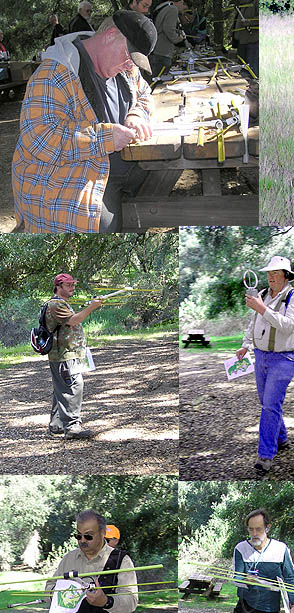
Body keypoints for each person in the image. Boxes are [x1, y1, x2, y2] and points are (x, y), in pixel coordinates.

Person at [12, 11, 156, 233]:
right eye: (129, 57)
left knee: (160, 177)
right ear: (110, 35)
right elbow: (41, 139)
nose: (130, 66)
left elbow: (145, 93)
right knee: (102, 226)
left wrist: (136, 114)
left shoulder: (126, 70)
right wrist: (104, 138)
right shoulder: (53, 75)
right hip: (67, 174)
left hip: (116, 166)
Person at [235, 256, 294, 476]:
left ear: (286, 276)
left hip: (284, 358)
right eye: (269, 274)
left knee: (269, 406)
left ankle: (265, 456)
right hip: (261, 356)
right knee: (267, 402)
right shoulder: (264, 295)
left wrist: (262, 308)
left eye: (275, 274)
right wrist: (246, 345)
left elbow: (289, 326)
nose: (271, 277)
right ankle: (282, 438)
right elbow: (254, 322)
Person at [45, 273, 104, 439]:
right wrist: (92, 307)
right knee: (72, 388)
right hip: (64, 355)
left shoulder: (62, 303)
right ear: (59, 286)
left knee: (61, 388)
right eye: (68, 285)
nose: (72, 287)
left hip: (68, 353)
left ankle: (56, 425)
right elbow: (73, 320)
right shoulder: (55, 304)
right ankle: (72, 428)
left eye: (73, 284)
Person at [149, 0, 188, 79]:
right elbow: (169, 30)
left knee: (155, 79)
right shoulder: (172, 9)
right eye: (184, 8)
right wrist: (179, 39)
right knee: (161, 81)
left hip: (156, 50)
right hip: (163, 52)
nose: (183, 11)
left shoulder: (162, 6)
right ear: (181, 1)